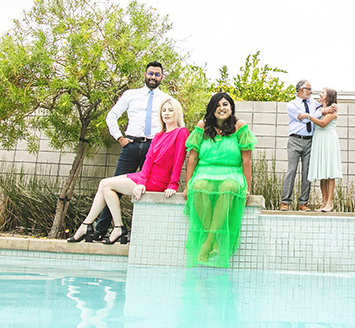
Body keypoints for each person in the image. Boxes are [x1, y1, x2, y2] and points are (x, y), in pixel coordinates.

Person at [68, 98, 188, 244]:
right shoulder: (158, 135)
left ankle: (97, 226)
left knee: (106, 185)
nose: (166, 113)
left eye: (170, 110)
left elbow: (179, 160)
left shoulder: (181, 133)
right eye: (164, 110)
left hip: (158, 181)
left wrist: (172, 185)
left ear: (177, 113)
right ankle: (108, 226)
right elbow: (149, 160)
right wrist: (142, 181)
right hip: (146, 177)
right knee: (105, 184)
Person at [94, 61, 172, 240]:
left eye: (157, 74)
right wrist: (120, 138)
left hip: (153, 148)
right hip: (131, 146)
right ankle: (101, 230)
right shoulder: (130, 95)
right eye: (150, 73)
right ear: (144, 74)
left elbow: (171, 124)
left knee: (147, 189)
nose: (153, 77)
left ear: (162, 77)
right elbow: (111, 116)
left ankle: (138, 234)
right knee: (115, 186)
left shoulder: (167, 99)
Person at [183, 92, 256, 267]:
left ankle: (208, 243)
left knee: (228, 188)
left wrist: (247, 187)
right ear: (211, 109)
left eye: (225, 105)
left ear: (231, 108)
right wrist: (187, 185)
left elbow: (246, 160)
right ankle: (213, 241)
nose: (221, 108)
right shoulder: (202, 126)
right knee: (199, 187)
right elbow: (192, 159)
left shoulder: (240, 127)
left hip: (231, 173)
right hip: (204, 171)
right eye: (217, 105)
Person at [281, 80, 336, 211]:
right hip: (295, 140)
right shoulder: (291, 105)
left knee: (307, 172)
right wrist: (322, 112)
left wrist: (330, 108)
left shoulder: (314, 104)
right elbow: (303, 118)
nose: (312, 92)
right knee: (292, 170)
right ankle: (285, 202)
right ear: (301, 90)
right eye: (309, 89)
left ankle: (303, 203)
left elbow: (325, 107)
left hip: (310, 140)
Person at [305, 87, 342, 212]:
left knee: (329, 172)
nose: (320, 94)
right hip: (319, 140)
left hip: (329, 140)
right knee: (322, 173)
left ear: (328, 96)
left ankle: (329, 203)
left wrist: (308, 117)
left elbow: (322, 123)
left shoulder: (332, 111)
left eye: (323, 93)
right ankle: (324, 202)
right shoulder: (319, 109)